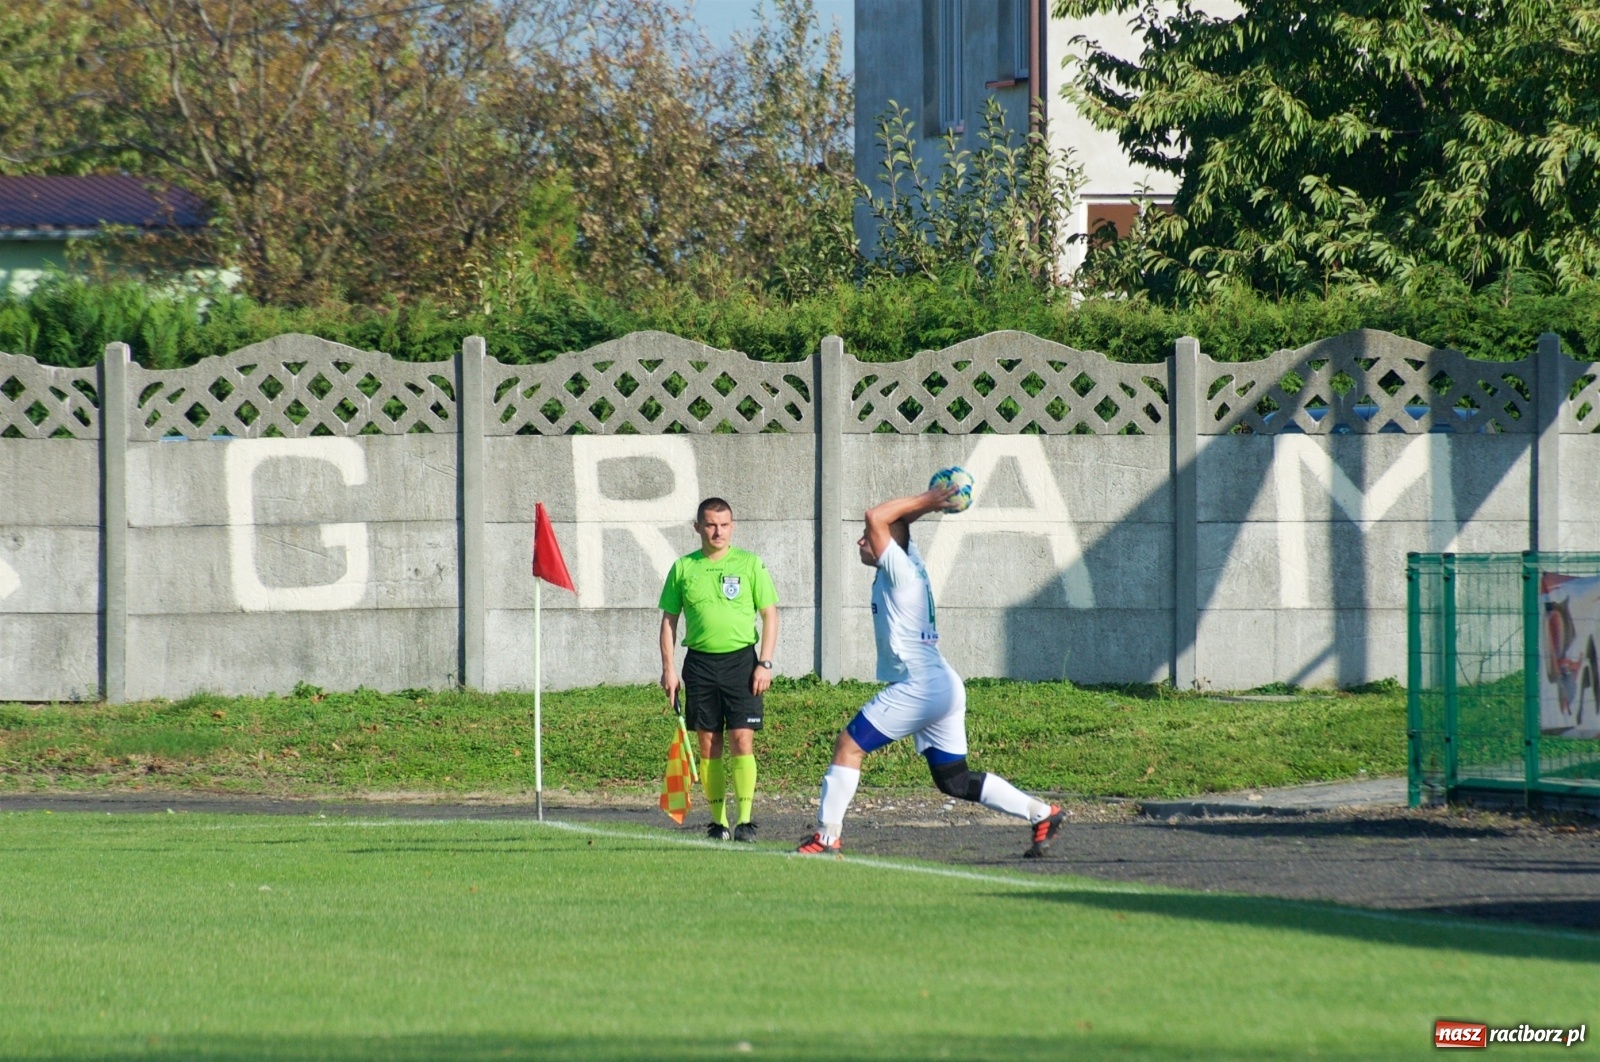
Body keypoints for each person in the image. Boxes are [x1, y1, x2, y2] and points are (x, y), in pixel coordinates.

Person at [796, 483, 1064, 858]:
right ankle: (1042, 813)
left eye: (866, 537)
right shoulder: (910, 559)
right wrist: (929, 507)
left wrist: (928, 499)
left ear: (887, 543)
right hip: (943, 685)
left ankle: (826, 837)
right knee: (954, 781)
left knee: (849, 746)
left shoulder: (899, 569)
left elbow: (876, 517)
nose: (860, 541)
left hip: (919, 686)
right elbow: (897, 524)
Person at [660, 497, 779, 842]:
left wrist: (764, 663)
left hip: (742, 663)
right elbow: (669, 621)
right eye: (711, 524)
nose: (718, 532)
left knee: (742, 739)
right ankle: (718, 823)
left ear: (732, 526)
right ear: (697, 527)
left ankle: (746, 821)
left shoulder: (749, 564)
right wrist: (669, 669)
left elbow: (770, 615)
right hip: (699, 665)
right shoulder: (683, 568)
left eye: (724, 525)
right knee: (708, 743)